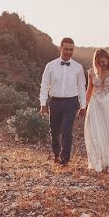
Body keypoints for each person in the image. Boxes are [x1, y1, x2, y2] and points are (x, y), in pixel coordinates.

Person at [39, 37, 86, 166]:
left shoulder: (78, 67)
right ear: (61, 48)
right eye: (66, 49)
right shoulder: (50, 65)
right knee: (54, 130)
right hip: (54, 102)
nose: (68, 52)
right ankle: (56, 154)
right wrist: (43, 103)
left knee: (67, 131)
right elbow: (44, 85)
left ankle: (64, 159)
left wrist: (83, 106)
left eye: (71, 50)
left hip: (71, 103)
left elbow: (82, 87)